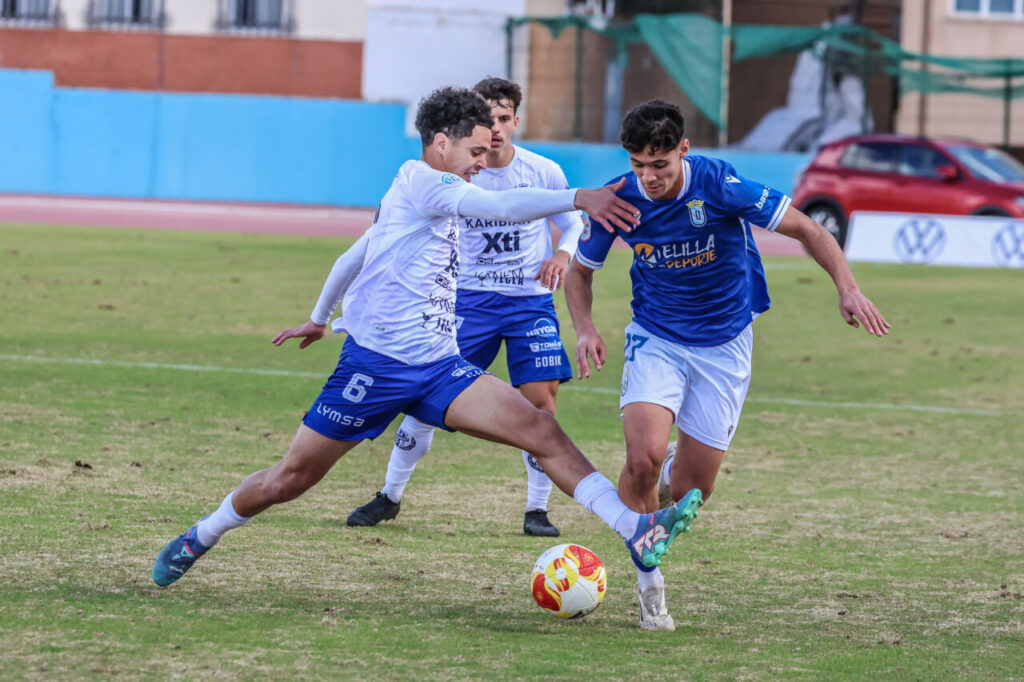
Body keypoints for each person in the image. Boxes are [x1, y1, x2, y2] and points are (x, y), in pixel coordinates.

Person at [152, 87, 703, 596]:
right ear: (441, 144)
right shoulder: (421, 181)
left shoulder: (430, 191)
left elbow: (354, 254)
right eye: (474, 151)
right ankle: (203, 534)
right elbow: (501, 207)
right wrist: (580, 197)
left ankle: (634, 527)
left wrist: (320, 318)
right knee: (289, 479)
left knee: (542, 428)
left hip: (440, 366)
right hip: (377, 367)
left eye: (487, 153)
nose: (482, 163)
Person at [564, 100, 890, 631]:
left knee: (693, 490)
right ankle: (650, 583)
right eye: (638, 165)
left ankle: (674, 472)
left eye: (660, 166)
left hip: (724, 347)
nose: (648, 178)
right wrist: (585, 329)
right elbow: (579, 274)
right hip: (656, 338)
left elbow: (809, 229)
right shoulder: (619, 199)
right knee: (639, 460)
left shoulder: (719, 184)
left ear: (683, 151)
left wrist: (848, 290)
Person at [345, 77, 583, 538]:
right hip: (468, 301)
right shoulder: (451, 177)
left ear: (516, 119)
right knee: (424, 400)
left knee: (541, 405)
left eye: (503, 118)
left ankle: (537, 509)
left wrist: (561, 254)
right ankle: (390, 495)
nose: (494, 128)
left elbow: (570, 225)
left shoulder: (543, 170)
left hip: (529, 303)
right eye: (486, 119)